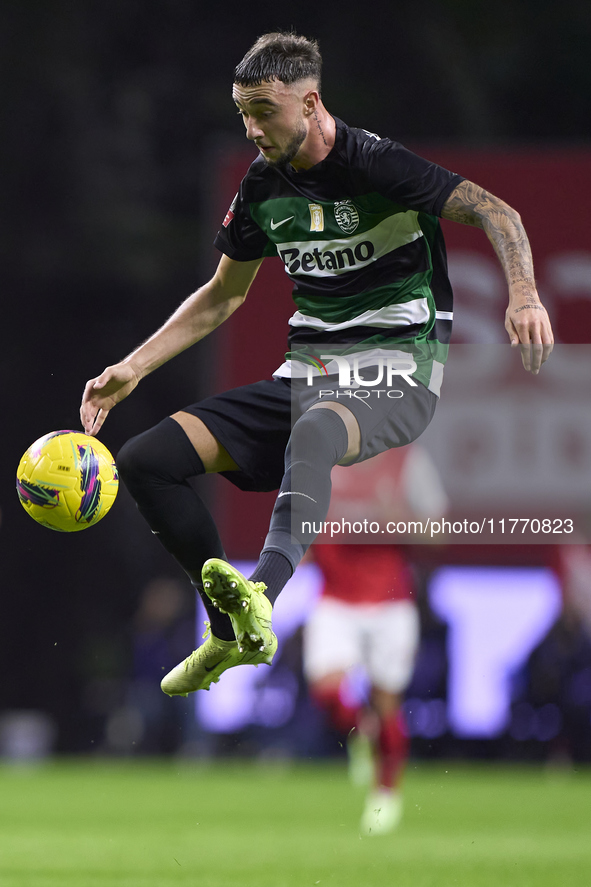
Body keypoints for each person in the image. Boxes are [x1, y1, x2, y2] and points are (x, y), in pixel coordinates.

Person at [80, 32, 553, 701]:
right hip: (307, 375)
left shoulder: (375, 164)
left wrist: (525, 294)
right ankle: (227, 629)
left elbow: (494, 211)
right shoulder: (262, 187)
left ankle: (262, 597)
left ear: (309, 102)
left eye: (264, 112)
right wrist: (134, 366)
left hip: (398, 373)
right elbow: (222, 293)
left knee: (317, 427)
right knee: (146, 458)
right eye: (242, 113)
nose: (252, 129)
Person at [304, 444, 448, 835]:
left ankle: (386, 793)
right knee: (327, 690)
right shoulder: (321, 454)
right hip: (335, 597)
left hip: (390, 602)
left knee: (388, 705)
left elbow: (438, 532)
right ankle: (359, 732)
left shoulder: (409, 462)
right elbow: (299, 517)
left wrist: (400, 520)